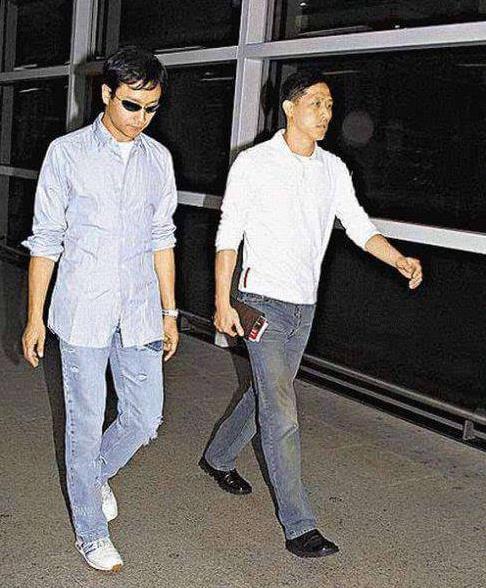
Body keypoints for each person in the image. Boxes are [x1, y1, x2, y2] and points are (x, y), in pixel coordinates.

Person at [200, 69, 423, 558]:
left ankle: (217, 457)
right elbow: (228, 236)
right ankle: (299, 526)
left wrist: (398, 259)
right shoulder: (254, 164)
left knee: (265, 392)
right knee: (281, 413)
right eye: (316, 103)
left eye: (330, 106)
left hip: (305, 306)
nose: (326, 113)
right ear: (289, 107)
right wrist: (221, 301)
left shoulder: (332, 169)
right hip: (261, 303)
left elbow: (359, 226)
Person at [21, 46, 179, 572]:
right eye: (131, 105)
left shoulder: (158, 160)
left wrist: (170, 312)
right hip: (82, 312)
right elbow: (46, 240)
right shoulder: (66, 154)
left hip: (139, 310)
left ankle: (94, 474)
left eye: (151, 108)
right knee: (84, 425)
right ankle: (90, 532)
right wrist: (34, 316)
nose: (141, 118)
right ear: (107, 93)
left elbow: (162, 237)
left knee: (145, 418)